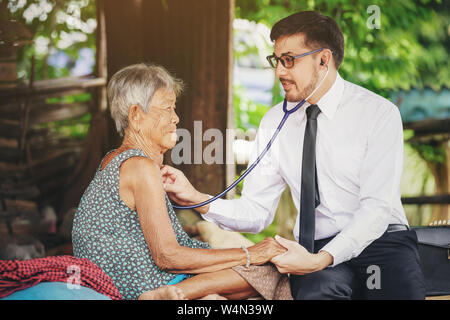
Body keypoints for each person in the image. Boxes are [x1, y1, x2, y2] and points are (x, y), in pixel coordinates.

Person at [162, 11, 426, 300]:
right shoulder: (275, 121)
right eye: (277, 60)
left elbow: (376, 210)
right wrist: (197, 199)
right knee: (317, 293)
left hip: (382, 241)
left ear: (323, 60)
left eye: (290, 60)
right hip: (314, 246)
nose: (279, 72)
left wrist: (324, 258)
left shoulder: (378, 113)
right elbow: (257, 211)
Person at [72, 63, 289, 300]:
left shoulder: (117, 161)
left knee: (259, 271)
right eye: (166, 108)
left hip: (129, 280)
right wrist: (250, 253)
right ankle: (166, 295)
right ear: (135, 116)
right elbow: (167, 257)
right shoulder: (139, 167)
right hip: (138, 285)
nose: (175, 118)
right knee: (269, 272)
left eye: (173, 108)